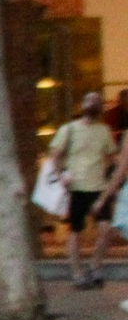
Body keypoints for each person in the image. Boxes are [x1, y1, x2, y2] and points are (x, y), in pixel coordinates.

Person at [45, 90, 118, 289]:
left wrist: (115, 176)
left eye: (97, 100)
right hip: (76, 189)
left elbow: (113, 158)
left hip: (98, 189)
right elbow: (55, 156)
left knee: (105, 230)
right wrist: (61, 178)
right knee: (75, 232)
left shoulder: (104, 131)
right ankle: (77, 273)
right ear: (82, 104)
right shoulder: (68, 129)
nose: (93, 102)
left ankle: (95, 267)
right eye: (89, 99)